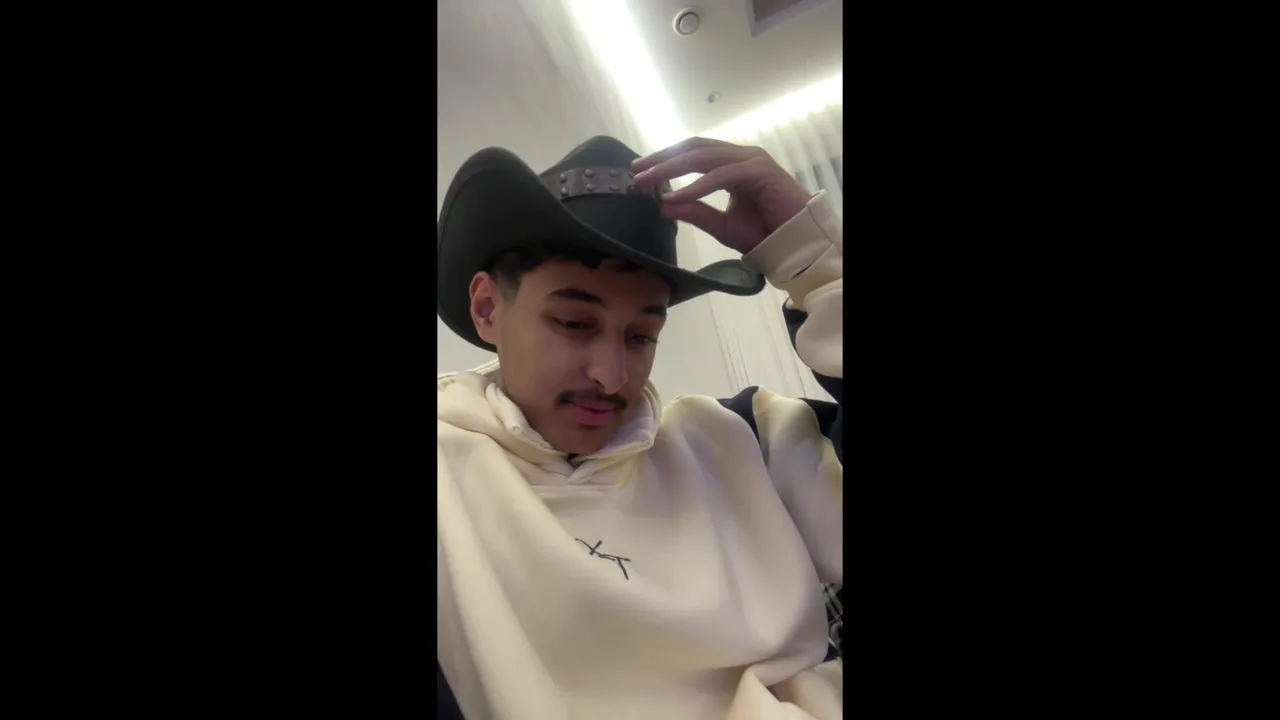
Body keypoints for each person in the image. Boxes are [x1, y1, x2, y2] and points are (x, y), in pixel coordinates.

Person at [436, 135, 843, 719]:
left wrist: (819, 267)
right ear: (487, 309)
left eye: (641, 335)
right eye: (574, 323)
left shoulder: (745, 440)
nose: (611, 376)